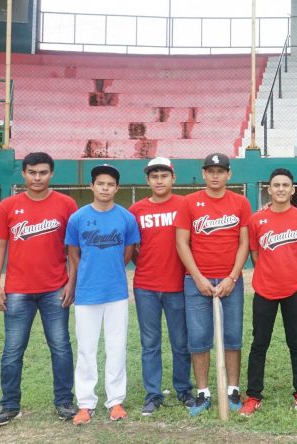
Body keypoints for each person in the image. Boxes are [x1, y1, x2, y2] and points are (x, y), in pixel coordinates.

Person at [0, 152, 78, 426]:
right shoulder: (8, 205)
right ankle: (9, 405)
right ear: (23, 174)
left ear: (51, 174)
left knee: (61, 346)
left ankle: (64, 401)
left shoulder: (66, 204)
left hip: (55, 288)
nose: (37, 177)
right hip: (18, 290)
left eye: (42, 172)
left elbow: (73, 250)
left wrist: (71, 283)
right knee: (13, 349)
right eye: (32, 172)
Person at [174, 153, 251, 416]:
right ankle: (204, 393)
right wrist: (197, 277)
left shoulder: (240, 202)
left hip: (231, 280)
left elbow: (244, 243)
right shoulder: (189, 202)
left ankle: (232, 390)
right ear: (204, 173)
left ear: (229, 174)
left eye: (221, 170)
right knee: (198, 339)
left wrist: (232, 277)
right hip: (197, 280)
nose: (215, 175)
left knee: (232, 337)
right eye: (211, 170)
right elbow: (182, 242)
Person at [239, 168, 297, 417]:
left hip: (293, 289)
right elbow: (255, 254)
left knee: (296, 342)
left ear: (292, 190)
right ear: (269, 189)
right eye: (276, 185)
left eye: (286, 185)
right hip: (264, 289)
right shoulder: (256, 220)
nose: (281, 189)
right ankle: (253, 395)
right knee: (259, 343)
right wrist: (271, 272)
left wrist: (294, 272)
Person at [66, 164, 140, 425]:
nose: (105, 188)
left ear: (116, 188)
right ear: (92, 186)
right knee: (86, 348)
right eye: (100, 183)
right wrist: (83, 276)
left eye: (110, 184)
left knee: (116, 346)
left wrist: (111, 272)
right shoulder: (78, 218)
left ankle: (115, 401)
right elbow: (73, 253)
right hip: (87, 293)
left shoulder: (126, 217)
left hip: (116, 291)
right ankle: (86, 403)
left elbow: (128, 253)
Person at [128, 157, 194, 415]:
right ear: (147, 180)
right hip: (145, 286)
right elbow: (133, 249)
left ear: (173, 178)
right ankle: (153, 394)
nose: (159, 180)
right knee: (150, 343)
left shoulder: (184, 204)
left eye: (164, 175)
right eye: (154, 176)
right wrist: (144, 263)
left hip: (177, 284)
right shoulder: (137, 209)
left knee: (180, 341)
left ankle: (183, 389)